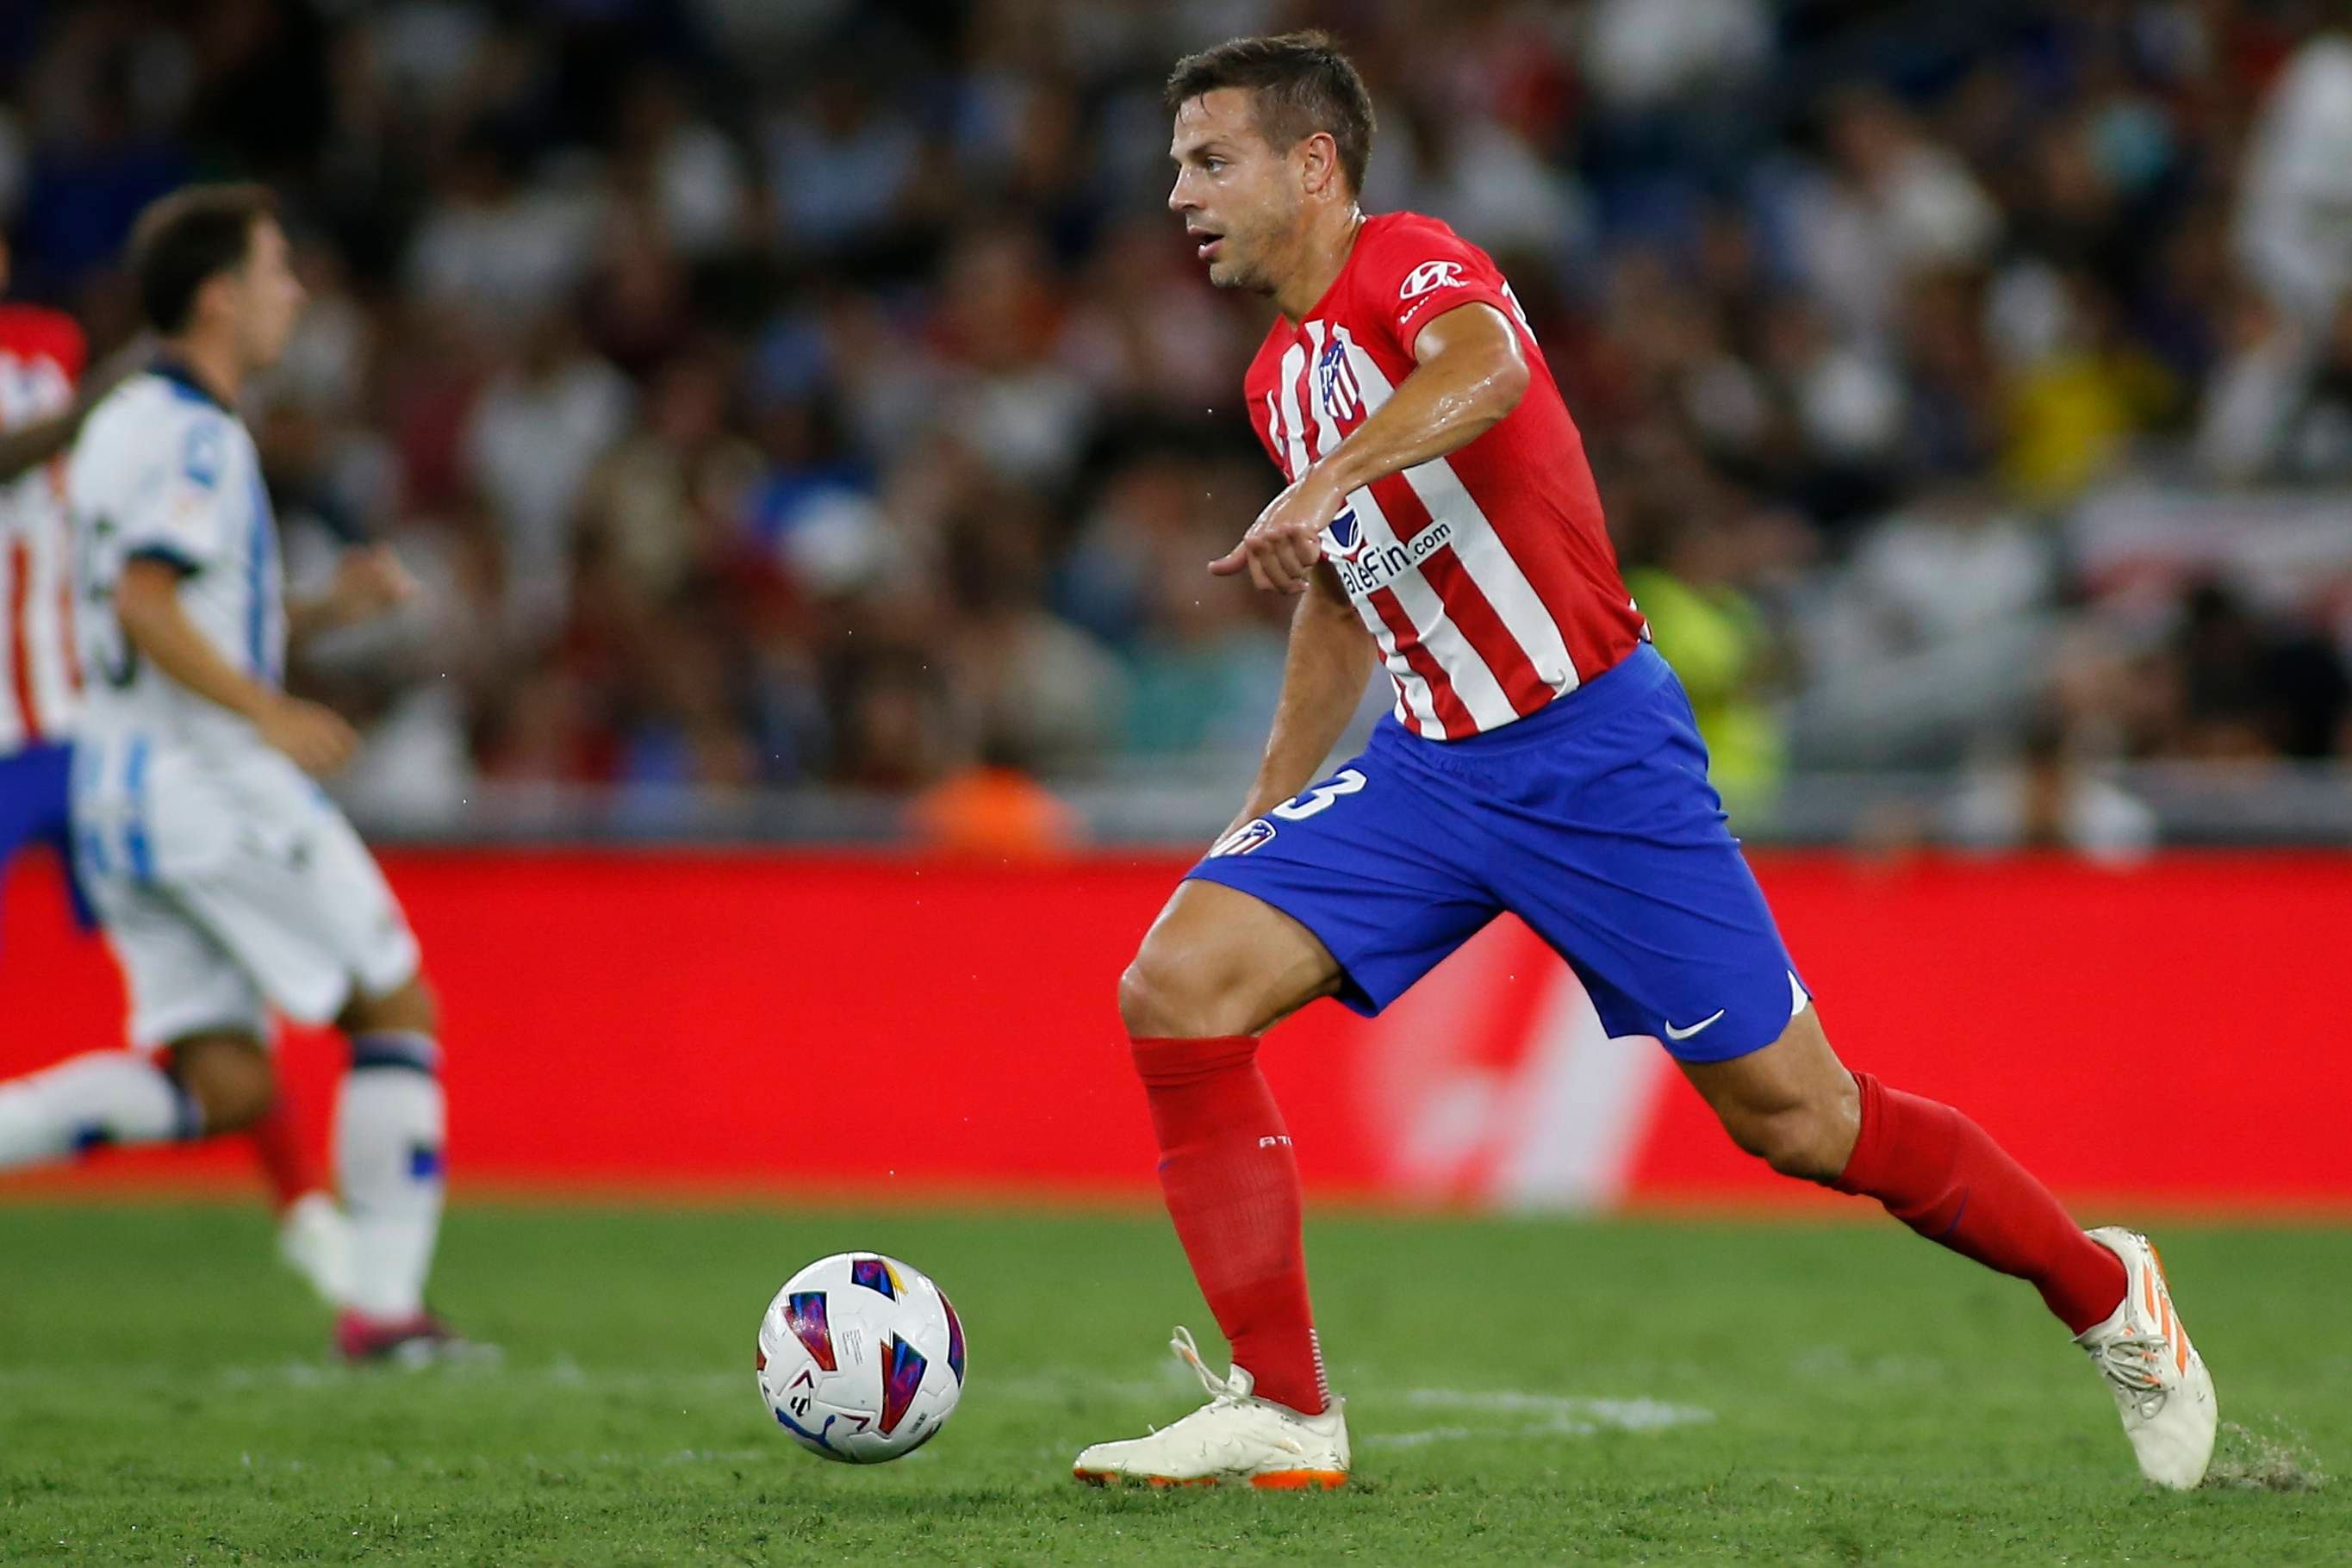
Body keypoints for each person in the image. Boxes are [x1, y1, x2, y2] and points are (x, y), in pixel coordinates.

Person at [1073, 33, 2213, 1491]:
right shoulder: (1276, 378)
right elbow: (1346, 595)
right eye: (1177, 163)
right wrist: (1264, 805)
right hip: (1434, 772)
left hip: (1594, 755)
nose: (1180, 192)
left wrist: (1327, 476)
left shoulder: (1410, 265)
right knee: (1173, 984)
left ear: (1313, 165)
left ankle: (2106, 1295)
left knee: (1803, 1120)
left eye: (1209, 159)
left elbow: (1482, 370)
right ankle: (1283, 1408)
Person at [0, 187, 457, 1360]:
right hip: (201, 783)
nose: (294, 293)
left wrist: (316, 611)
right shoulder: (192, 431)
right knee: (393, 1005)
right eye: (276, 270)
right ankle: (390, 1317)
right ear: (218, 294)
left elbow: (180, 608)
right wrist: (271, 709)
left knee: (225, 1083)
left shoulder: (118, 427)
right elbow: (147, 603)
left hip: (116, 786)